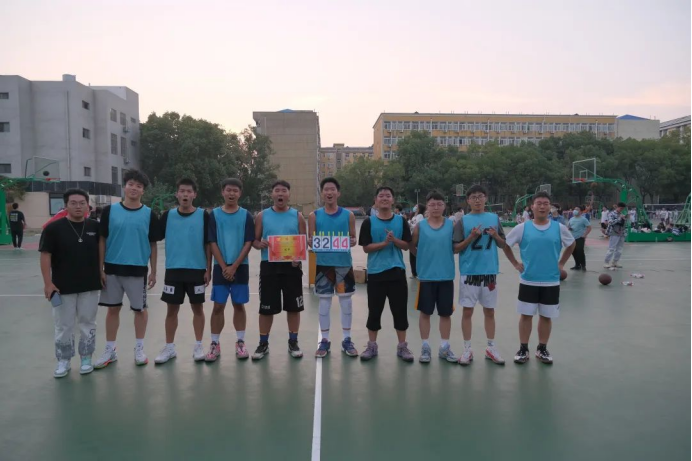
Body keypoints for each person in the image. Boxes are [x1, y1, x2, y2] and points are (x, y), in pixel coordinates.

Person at [95, 169, 159, 369]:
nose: (134, 188)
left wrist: (154, 271)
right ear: (125, 187)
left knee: (140, 310)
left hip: (137, 270)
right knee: (112, 309)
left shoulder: (149, 214)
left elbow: (153, 244)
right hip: (112, 269)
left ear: (143, 191)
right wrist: (100, 268)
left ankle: (139, 348)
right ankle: (110, 350)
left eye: (139, 186)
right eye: (131, 184)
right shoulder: (109, 211)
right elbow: (102, 240)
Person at [502, 192, 576, 365]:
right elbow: (506, 244)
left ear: (550, 207)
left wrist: (561, 263)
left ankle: (542, 348)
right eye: (539, 203)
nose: (542, 206)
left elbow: (572, 244)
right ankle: (523, 349)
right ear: (532, 207)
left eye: (546, 203)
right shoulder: (522, 228)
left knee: (546, 316)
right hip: (528, 280)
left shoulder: (559, 228)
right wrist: (515, 263)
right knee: (526, 316)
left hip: (551, 281)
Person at [39, 189, 101, 378]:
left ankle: (86, 357)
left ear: (88, 206)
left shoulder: (95, 227)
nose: (78, 206)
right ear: (65, 205)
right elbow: (45, 255)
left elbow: (102, 251)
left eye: (82, 203)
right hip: (61, 287)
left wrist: (102, 272)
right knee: (63, 325)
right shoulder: (53, 229)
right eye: (73, 203)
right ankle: (63, 360)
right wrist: (48, 283)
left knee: (88, 322)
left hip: (90, 285)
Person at [154, 178, 212, 365]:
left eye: (189, 191)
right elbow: (154, 237)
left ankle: (198, 345)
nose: (185, 194)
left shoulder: (203, 215)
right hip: (174, 271)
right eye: (182, 191)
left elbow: (208, 244)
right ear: (177, 194)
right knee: (171, 310)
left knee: (198, 308)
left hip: (197, 270)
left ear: (194, 194)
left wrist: (208, 269)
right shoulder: (167, 215)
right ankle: (169, 347)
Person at [251, 180, 307, 360]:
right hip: (269, 266)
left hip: (292, 267)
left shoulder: (298, 216)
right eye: (277, 190)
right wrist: (260, 244)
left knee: (293, 307)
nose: (280, 193)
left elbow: (303, 242)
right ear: (272, 194)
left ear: (289, 194)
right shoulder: (262, 216)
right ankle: (263, 343)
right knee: (266, 308)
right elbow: (254, 241)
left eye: (284, 191)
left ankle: (293, 341)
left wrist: (298, 257)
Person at [453, 185, 507, 366]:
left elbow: (502, 244)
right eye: (473, 197)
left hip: (489, 272)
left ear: (486, 198)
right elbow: (455, 248)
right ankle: (467, 349)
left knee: (489, 311)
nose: (477, 200)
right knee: (467, 311)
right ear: (468, 200)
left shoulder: (494, 218)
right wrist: (471, 237)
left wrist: (495, 236)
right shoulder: (462, 221)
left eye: (480, 196)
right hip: (470, 273)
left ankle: (491, 347)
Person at [359, 186, 414, 362]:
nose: (384, 198)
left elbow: (406, 246)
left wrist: (394, 240)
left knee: (400, 311)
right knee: (374, 311)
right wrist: (383, 244)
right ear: (375, 200)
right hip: (376, 273)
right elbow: (366, 248)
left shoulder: (401, 221)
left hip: (397, 272)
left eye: (388, 196)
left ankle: (402, 346)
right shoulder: (369, 222)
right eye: (381, 196)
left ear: (393, 200)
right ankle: (372, 346)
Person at [204, 178, 255, 362]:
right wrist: (224, 266)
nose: (231, 193)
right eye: (228, 190)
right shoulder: (214, 215)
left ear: (240, 193)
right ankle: (214, 343)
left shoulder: (246, 215)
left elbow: (248, 242)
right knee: (218, 306)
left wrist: (234, 266)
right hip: (220, 267)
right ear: (222, 192)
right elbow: (212, 242)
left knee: (238, 305)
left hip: (240, 267)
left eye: (235, 190)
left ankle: (240, 342)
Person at [308, 177, 358, 358]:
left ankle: (347, 339)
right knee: (324, 302)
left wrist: (352, 241)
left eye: (332, 189)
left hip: (343, 264)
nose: (329, 192)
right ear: (322, 193)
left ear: (338, 193)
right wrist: (310, 241)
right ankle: (325, 340)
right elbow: (311, 240)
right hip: (323, 265)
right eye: (326, 189)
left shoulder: (348, 215)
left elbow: (353, 238)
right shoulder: (314, 216)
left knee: (346, 302)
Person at [411, 191, 458, 364]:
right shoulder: (420, 226)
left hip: (446, 276)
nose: (436, 207)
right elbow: (412, 245)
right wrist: (422, 257)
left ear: (444, 206)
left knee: (445, 314)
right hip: (426, 277)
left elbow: (456, 246)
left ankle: (444, 347)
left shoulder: (451, 225)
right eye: (432, 204)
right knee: (425, 313)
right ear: (427, 207)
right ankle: (425, 347)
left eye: (439, 204)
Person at [604, 202, 628, 269]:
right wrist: (619, 218)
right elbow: (610, 222)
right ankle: (606, 262)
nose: (621, 209)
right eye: (620, 208)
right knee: (611, 248)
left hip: (622, 232)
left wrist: (625, 219)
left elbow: (624, 224)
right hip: (614, 232)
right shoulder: (611, 213)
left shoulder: (621, 214)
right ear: (617, 207)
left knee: (619, 249)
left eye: (623, 208)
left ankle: (615, 262)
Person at [568, 205, 592, 271]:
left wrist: (584, 235)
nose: (575, 210)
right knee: (573, 251)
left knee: (580, 251)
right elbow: (569, 226)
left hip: (580, 237)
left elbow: (589, 227)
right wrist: (569, 228)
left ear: (581, 211)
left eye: (577, 209)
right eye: (575, 209)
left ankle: (583, 265)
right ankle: (577, 265)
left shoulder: (583, 219)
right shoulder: (571, 219)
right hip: (572, 238)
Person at [408, 205, 426, 279]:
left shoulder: (420, 216)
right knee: (411, 256)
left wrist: (410, 225)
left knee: (416, 255)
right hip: (411, 237)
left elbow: (417, 225)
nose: (415, 207)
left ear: (419, 208)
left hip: (417, 238)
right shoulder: (413, 216)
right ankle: (414, 273)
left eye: (416, 206)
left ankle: (418, 272)